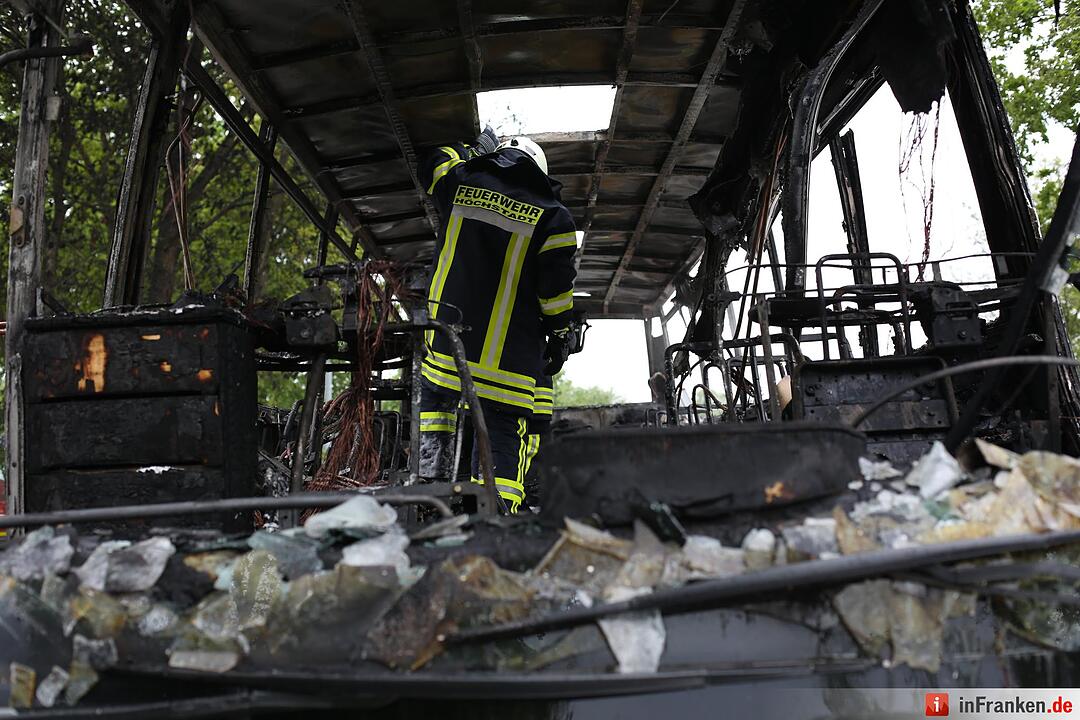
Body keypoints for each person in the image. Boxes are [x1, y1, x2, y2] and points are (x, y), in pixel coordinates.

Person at [416, 127, 576, 513]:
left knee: (437, 427)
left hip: (447, 352)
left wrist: (473, 148)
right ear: (540, 170)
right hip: (507, 367)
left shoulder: (461, 182)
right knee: (501, 453)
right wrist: (559, 335)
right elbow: (554, 296)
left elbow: (434, 160)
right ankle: (496, 525)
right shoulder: (555, 217)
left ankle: (428, 498)